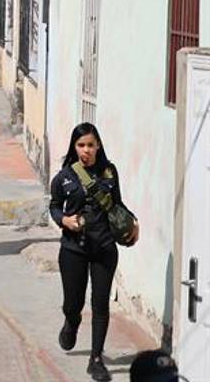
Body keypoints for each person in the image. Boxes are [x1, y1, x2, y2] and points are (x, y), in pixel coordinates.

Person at [50, 123, 139, 382]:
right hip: (73, 249)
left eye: (90, 144)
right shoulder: (65, 176)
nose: (86, 150)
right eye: (81, 145)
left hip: (104, 248)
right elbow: (55, 206)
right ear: (74, 147)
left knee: (100, 304)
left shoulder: (109, 173)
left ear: (98, 145)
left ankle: (96, 359)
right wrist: (64, 221)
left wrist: (133, 222)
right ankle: (72, 322)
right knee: (72, 304)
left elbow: (118, 204)